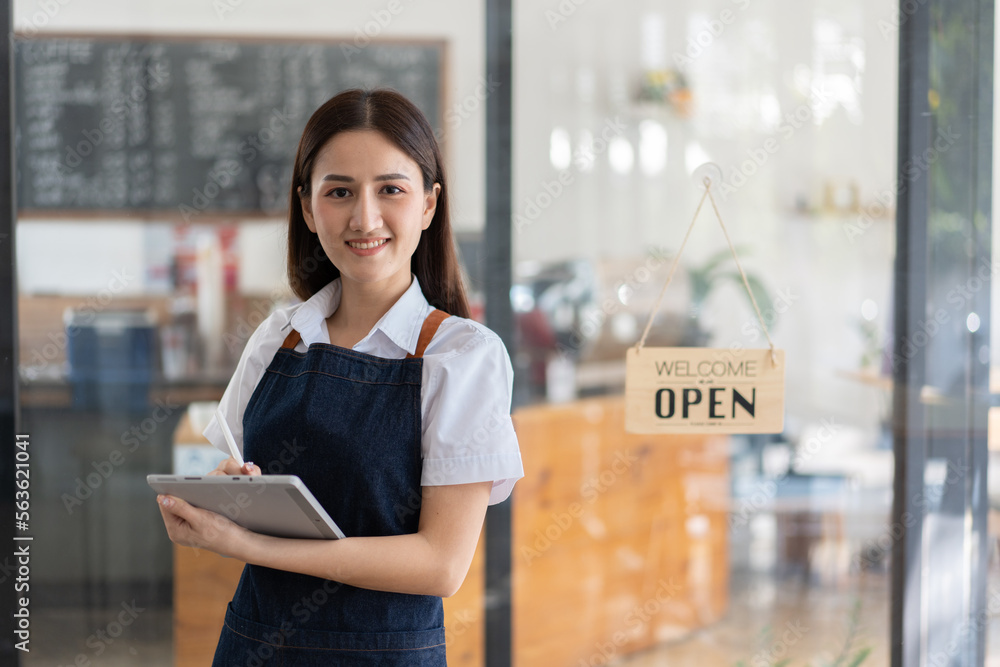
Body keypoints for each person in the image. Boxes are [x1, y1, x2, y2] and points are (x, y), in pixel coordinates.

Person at [156, 88, 523, 666]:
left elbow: (440, 565)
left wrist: (254, 545)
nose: (364, 218)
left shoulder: (462, 356)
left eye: (391, 190)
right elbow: (235, 464)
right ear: (307, 208)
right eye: (340, 192)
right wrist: (228, 494)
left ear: (428, 206)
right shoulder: (280, 336)